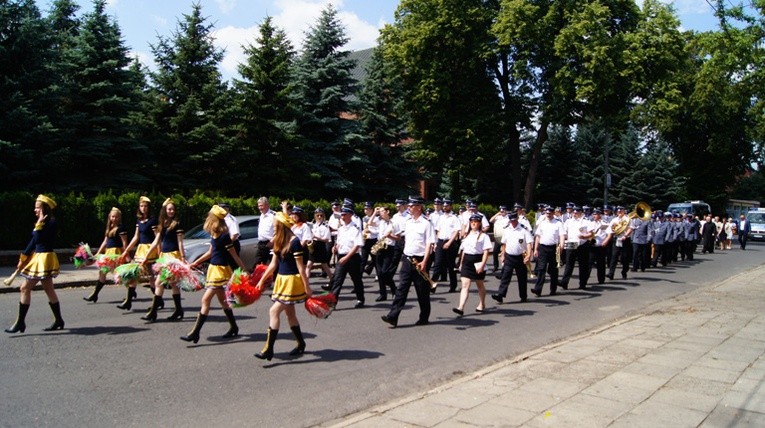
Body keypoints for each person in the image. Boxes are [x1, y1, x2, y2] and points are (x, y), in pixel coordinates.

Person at [181, 205, 247, 343]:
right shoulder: (214, 233)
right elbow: (210, 253)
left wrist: (244, 271)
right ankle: (234, 327)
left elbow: (234, 256)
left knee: (205, 300)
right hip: (213, 268)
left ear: (214, 218)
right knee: (223, 301)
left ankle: (195, 333)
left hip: (220, 271)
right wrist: (195, 263)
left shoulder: (224, 236)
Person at [254, 212, 313, 360]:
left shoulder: (295, 242)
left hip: (291, 281)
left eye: (275, 226)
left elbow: (301, 268)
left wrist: (307, 287)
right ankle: (301, 343)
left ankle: (268, 349)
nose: (273, 228)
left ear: (281, 226)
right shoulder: (279, 241)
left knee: (273, 312)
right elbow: (273, 264)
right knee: (290, 314)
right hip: (281, 280)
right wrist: (261, 281)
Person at [5, 195, 65, 333]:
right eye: (35, 207)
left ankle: (20, 323)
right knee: (49, 289)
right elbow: (33, 242)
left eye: (38, 207)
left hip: (45, 259)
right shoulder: (42, 223)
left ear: (45, 209)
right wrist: (23, 257)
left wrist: (38, 225)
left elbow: (38, 238)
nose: (35, 210)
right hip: (38, 257)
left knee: (24, 288)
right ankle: (58, 320)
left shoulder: (51, 223)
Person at [381, 196, 436, 327]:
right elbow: (400, 237)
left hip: (420, 259)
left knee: (421, 291)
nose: (409, 208)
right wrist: (390, 236)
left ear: (419, 207)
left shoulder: (426, 223)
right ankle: (393, 316)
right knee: (401, 289)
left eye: (412, 206)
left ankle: (424, 317)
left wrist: (425, 262)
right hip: (407, 258)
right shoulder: (408, 222)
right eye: (409, 206)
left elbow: (429, 243)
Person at [140, 198, 185, 322]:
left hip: (173, 256)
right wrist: (146, 256)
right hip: (164, 257)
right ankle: (178, 310)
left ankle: (153, 312)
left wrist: (182, 258)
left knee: (159, 282)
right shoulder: (162, 224)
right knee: (173, 284)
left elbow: (180, 243)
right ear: (165, 210)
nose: (171, 211)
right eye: (169, 209)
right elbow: (156, 241)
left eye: (173, 209)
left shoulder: (177, 224)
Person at [118, 196, 158, 310]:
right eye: (141, 206)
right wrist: (127, 250)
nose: (143, 208)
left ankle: (157, 300)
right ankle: (128, 301)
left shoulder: (153, 220)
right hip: (141, 250)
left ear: (149, 208)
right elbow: (136, 237)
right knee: (134, 274)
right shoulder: (139, 221)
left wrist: (159, 253)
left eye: (145, 206)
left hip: (150, 250)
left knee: (151, 277)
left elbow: (157, 238)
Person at [84, 207, 128, 303]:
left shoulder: (121, 228)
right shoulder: (109, 227)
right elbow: (105, 241)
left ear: (120, 218)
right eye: (112, 216)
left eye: (116, 217)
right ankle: (95, 295)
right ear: (109, 217)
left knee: (121, 275)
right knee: (102, 273)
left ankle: (130, 293)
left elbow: (124, 242)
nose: (114, 218)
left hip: (116, 254)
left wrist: (125, 254)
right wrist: (98, 253)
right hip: (108, 254)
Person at [326, 206, 366, 308]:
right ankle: (333, 302)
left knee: (356, 279)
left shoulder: (355, 229)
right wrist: (335, 247)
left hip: (353, 257)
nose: (342, 217)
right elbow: (339, 242)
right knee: (337, 280)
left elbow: (357, 245)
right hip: (342, 256)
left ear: (350, 215)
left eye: (344, 215)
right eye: (341, 215)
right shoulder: (341, 229)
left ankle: (360, 299)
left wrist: (347, 257)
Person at [453, 214, 492, 316]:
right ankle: (461, 307)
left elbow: (486, 252)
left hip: (478, 261)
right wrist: (461, 263)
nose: (474, 223)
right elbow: (464, 251)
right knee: (465, 285)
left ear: (479, 224)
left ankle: (482, 303)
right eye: (472, 222)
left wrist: (482, 265)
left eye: (476, 222)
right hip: (467, 261)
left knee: (479, 284)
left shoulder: (484, 236)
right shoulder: (467, 236)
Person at [492, 211, 533, 303]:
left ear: (517, 219)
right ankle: (500, 295)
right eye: (511, 221)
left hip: (520, 256)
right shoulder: (507, 229)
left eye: (514, 220)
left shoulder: (523, 229)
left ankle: (523, 296)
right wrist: (503, 254)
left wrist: (529, 255)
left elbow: (529, 243)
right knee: (505, 276)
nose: (513, 222)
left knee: (521, 277)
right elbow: (504, 243)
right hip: (509, 256)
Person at [530, 206, 564, 297]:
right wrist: (535, 248)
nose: (548, 215)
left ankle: (553, 289)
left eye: (549, 213)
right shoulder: (542, 223)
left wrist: (561, 246)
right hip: (543, 248)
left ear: (553, 213)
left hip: (554, 248)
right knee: (541, 269)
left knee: (553, 270)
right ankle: (538, 289)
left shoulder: (558, 223)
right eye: (546, 213)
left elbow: (562, 236)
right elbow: (537, 236)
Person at [431, 198, 461, 292]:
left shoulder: (454, 217)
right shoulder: (441, 217)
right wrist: (436, 243)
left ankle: (453, 285)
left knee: (450, 265)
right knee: (437, 264)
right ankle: (432, 285)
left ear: (450, 206)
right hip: (440, 241)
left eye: (447, 205)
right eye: (444, 206)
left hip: (450, 242)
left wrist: (449, 242)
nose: (445, 207)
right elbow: (438, 230)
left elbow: (456, 231)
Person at [559, 206, 592, 289]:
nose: (575, 213)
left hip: (582, 244)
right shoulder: (568, 221)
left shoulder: (586, 221)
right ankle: (564, 282)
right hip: (571, 243)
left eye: (577, 212)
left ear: (581, 213)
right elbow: (564, 232)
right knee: (569, 263)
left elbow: (591, 233)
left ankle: (582, 283)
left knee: (583, 264)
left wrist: (585, 236)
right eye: (574, 212)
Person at [373, 206, 397, 301]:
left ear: (388, 212)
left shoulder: (394, 223)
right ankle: (383, 294)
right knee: (379, 272)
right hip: (379, 246)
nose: (381, 213)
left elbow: (398, 237)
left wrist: (390, 236)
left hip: (389, 247)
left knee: (384, 272)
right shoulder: (380, 222)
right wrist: (375, 212)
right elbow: (370, 223)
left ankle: (394, 289)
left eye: (382, 211)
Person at [605, 206, 632, 280]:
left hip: (625, 240)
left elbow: (631, 228)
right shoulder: (614, 219)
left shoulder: (628, 219)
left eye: (621, 211)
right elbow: (609, 229)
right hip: (616, 239)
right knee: (614, 256)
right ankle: (611, 273)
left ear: (624, 211)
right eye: (618, 211)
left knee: (624, 258)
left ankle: (624, 272)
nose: (619, 212)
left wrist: (626, 235)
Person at [306, 208, 333, 281]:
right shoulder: (313, 225)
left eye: (321, 215)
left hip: (321, 246)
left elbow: (327, 239)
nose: (319, 217)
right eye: (317, 215)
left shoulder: (325, 226)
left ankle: (332, 280)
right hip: (313, 245)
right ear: (315, 216)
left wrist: (316, 237)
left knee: (325, 265)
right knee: (308, 265)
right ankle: (305, 283)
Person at [218, 202, 241, 269]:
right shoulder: (221, 219)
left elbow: (235, 234)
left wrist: (227, 244)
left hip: (231, 244)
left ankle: (237, 279)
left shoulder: (231, 219)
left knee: (234, 265)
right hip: (225, 244)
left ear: (226, 209)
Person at [255, 197, 276, 266]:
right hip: (261, 244)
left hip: (271, 243)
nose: (260, 208)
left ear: (267, 205)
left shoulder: (273, 215)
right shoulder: (261, 215)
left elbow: (279, 231)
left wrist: (272, 242)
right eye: (259, 206)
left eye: (261, 206)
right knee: (258, 264)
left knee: (275, 265)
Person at [489, 205, 509, 274]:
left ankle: (505, 267)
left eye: (503, 210)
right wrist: (497, 214)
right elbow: (490, 220)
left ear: (505, 210)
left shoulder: (508, 218)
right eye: (501, 210)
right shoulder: (497, 217)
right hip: (498, 238)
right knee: (495, 252)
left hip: (505, 238)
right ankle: (495, 266)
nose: (502, 212)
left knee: (505, 253)